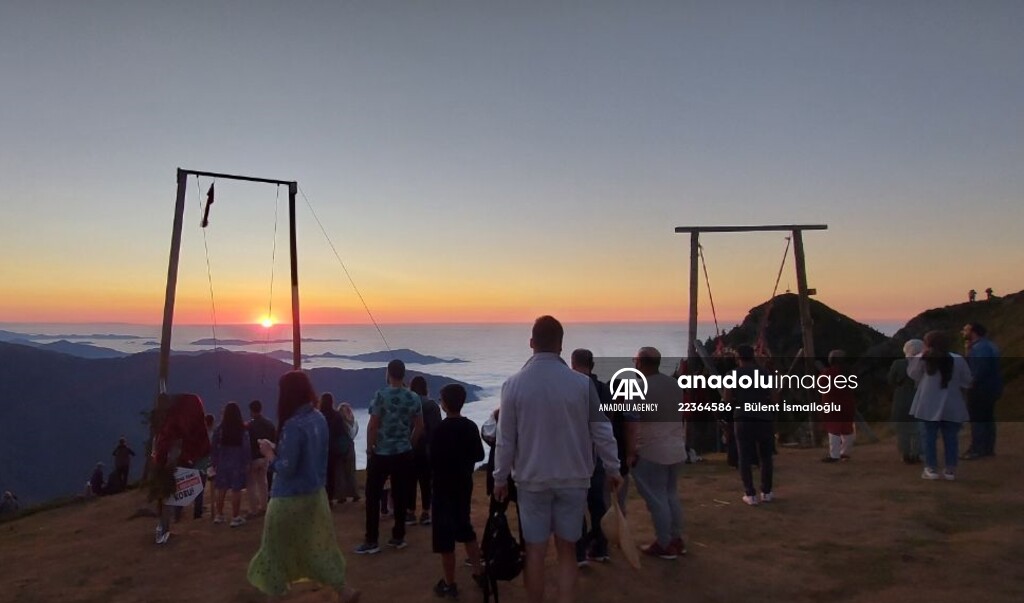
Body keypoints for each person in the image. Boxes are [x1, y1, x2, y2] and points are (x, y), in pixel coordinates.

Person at [494, 316, 621, 603]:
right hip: (574, 479)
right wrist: (613, 468)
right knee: (567, 552)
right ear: (561, 345)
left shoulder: (512, 385)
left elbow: (506, 440)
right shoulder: (581, 384)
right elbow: (602, 430)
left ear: (531, 343)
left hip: (531, 480)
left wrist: (500, 478)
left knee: (535, 552)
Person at [247, 370, 359, 602]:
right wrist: (278, 447)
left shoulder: (293, 425)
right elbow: (309, 456)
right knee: (321, 546)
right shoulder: (318, 418)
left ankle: (273, 596)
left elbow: (286, 468)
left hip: (287, 499)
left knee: (274, 549)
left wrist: (269, 452)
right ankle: (343, 590)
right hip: (316, 495)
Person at [355, 359, 425, 554]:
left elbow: (372, 425)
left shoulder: (381, 395)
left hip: (382, 453)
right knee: (400, 493)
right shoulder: (413, 397)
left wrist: (370, 449)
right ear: (404, 374)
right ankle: (398, 536)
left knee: (373, 495)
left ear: (388, 373)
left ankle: (372, 540)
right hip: (403, 452)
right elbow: (420, 426)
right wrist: (409, 443)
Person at [627, 346, 688, 560]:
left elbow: (633, 423)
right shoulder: (674, 384)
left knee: (657, 499)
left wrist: (630, 451)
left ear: (641, 363)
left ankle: (664, 543)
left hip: (652, 450)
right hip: (676, 447)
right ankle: (676, 539)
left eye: (635, 360)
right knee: (671, 494)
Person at [430, 384, 486, 598]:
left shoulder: (439, 430)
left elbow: (432, 460)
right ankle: (479, 573)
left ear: (444, 404)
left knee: (445, 538)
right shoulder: (470, 426)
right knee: (465, 527)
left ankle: (450, 583)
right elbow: (480, 455)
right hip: (463, 486)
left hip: (443, 489)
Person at [908, 331, 972, 481]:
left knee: (928, 437)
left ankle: (931, 468)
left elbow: (913, 375)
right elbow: (967, 381)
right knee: (951, 438)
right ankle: (950, 469)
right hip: (952, 402)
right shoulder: (958, 359)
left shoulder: (922, 358)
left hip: (927, 403)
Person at [151, 393, 212, 544]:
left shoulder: (173, 419)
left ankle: (166, 526)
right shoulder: (192, 408)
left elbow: (164, 442)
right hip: (196, 456)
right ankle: (177, 520)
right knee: (192, 486)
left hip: (178, 460)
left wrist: (160, 463)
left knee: (170, 494)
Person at [569, 348, 610, 565]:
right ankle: (601, 548)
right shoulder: (603, 389)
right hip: (598, 455)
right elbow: (607, 424)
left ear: (573, 363)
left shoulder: (571, 388)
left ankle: (579, 552)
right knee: (597, 506)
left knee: (576, 506)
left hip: (574, 455)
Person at [724, 344, 777, 506]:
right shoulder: (765, 373)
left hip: (743, 418)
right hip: (764, 417)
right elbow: (775, 398)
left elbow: (727, 400)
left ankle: (750, 494)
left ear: (737, 357)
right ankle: (766, 492)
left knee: (744, 457)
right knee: (766, 457)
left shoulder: (732, 374)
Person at [961, 323, 1003, 459]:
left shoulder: (980, 348)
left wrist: (970, 383)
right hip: (992, 388)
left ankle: (977, 449)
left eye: (966, 330)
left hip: (980, 389)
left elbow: (979, 370)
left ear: (973, 332)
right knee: (988, 418)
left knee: (977, 418)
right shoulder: (989, 345)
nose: (963, 332)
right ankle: (988, 448)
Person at [408, 375, 442, 526]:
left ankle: (410, 512)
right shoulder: (432, 405)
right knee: (426, 481)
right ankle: (426, 512)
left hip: (408, 447)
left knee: (409, 481)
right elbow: (437, 430)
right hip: (427, 449)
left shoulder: (407, 403)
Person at [212, 401, 252, 527]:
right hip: (237, 463)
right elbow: (246, 447)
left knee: (221, 489)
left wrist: (215, 462)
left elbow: (213, 447)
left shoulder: (219, 430)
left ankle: (219, 515)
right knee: (236, 490)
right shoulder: (242, 430)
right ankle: (235, 517)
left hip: (222, 463)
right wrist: (247, 462)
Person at [889, 339, 923, 464]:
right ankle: (917, 454)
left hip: (901, 398)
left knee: (903, 429)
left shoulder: (898, 363)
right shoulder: (925, 363)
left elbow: (890, 380)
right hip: (920, 397)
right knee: (918, 429)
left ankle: (905, 454)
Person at [820, 350, 856, 462]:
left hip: (833, 405)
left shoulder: (829, 372)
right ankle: (845, 453)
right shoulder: (848, 372)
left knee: (834, 430)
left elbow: (821, 384)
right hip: (847, 404)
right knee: (847, 430)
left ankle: (834, 455)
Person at [246, 399, 276, 517]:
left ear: (251, 410)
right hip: (265, 457)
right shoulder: (269, 424)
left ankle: (253, 509)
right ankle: (264, 507)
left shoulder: (250, 426)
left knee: (251, 484)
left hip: (253, 457)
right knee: (263, 482)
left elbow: (247, 442)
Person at [320, 392, 347, 505]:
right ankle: (330, 498)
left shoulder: (319, 415)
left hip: (320, 449)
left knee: (321, 474)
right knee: (331, 474)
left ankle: (322, 497)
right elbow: (342, 433)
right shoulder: (337, 416)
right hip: (333, 448)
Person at [335, 403, 361, 502]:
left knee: (340, 472)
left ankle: (341, 496)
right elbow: (353, 434)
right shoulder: (354, 422)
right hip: (350, 446)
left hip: (340, 447)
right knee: (351, 471)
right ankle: (355, 493)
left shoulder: (340, 422)